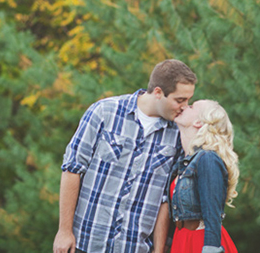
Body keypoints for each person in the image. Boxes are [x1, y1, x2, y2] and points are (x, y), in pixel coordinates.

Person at [53, 59, 197, 253]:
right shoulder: (104, 112)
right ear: (158, 93)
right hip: (85, 243)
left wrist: (158, 249)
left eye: (188, 100)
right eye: (180, 100)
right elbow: (72, 169)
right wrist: (64, 231)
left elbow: (165, 198)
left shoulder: (177, 135)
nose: (185, 107)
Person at [167, 100, 239, 253]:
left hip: (201, 242)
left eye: (191, 106)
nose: (185, 106)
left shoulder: (208, 158)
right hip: (182, 239)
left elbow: (212, 214)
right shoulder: (183, 162)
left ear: (199, 122)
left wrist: (211, 249)